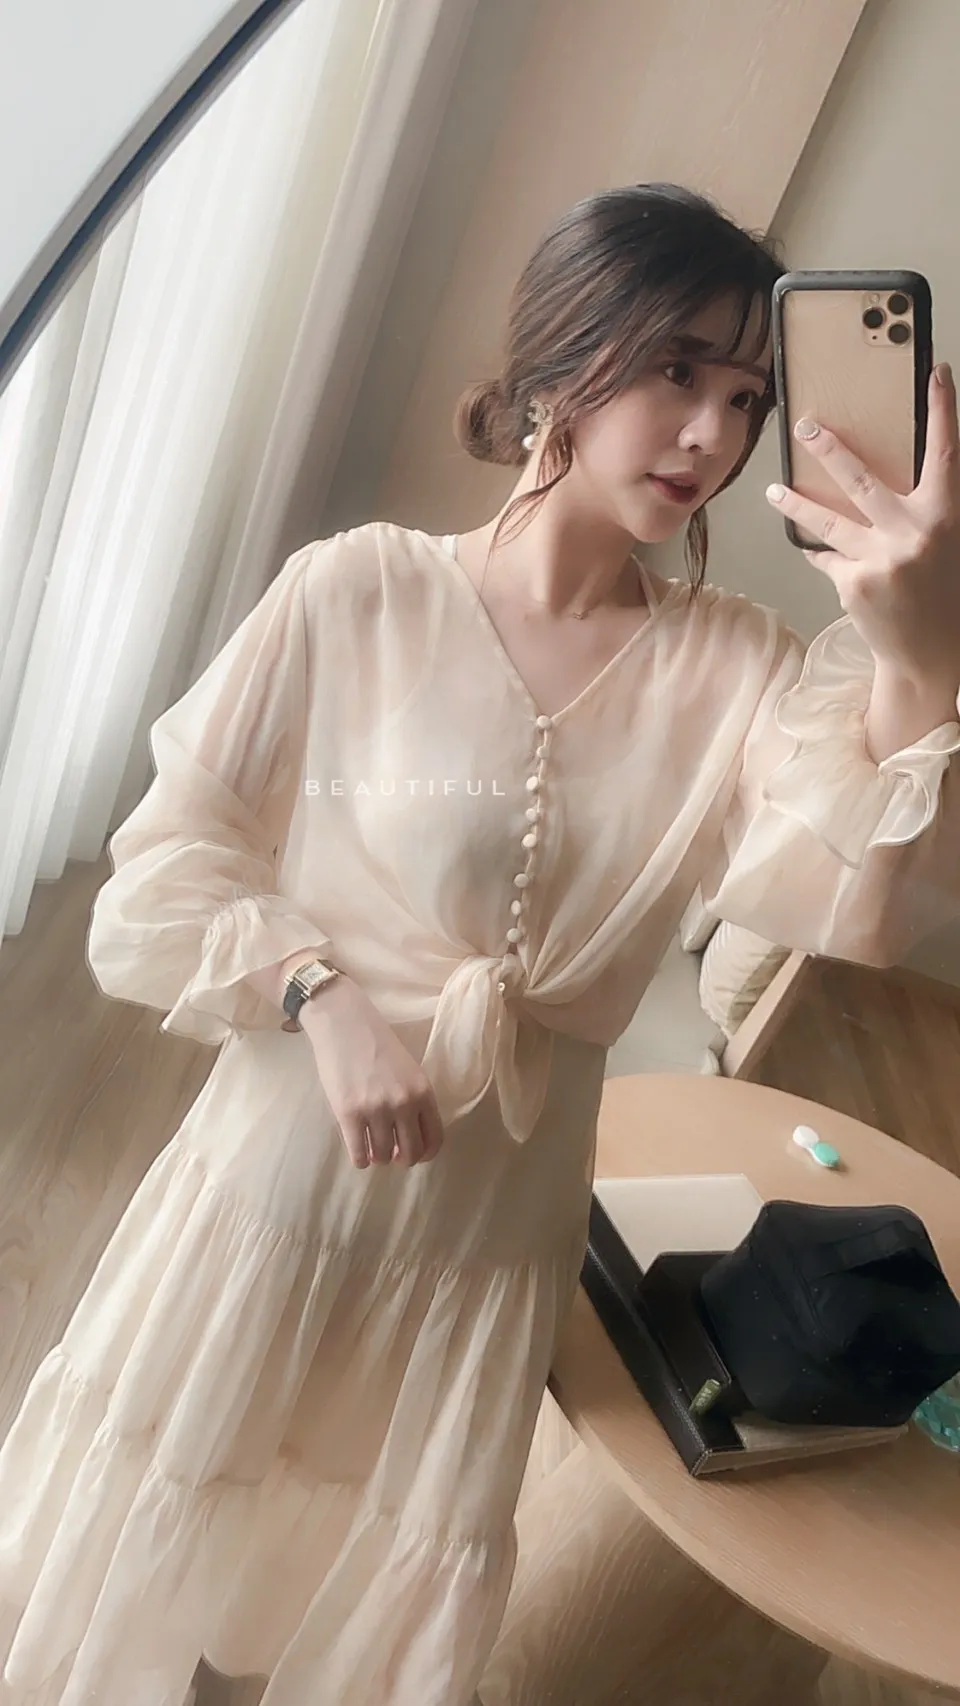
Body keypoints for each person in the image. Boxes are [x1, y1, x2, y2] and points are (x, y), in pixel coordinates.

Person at [1, 182, 959, 1706]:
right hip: (279, 1185)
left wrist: (919, 648)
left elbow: (867, 906)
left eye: (745, 397)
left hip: (489, 1233)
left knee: (350, 1602)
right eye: (676, 370)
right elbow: (164, 869)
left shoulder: (740, 671)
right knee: (162, 1545)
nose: (711, 433)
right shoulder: (358, 590)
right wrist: (319, 993)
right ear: (565, 359)